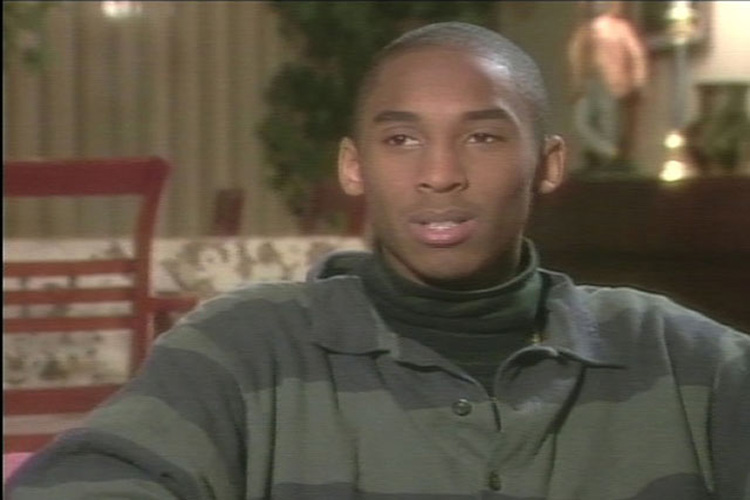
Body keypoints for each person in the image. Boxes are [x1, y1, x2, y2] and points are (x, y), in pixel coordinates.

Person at [7, 22, 749, 500]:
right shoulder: (243, 350)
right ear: (354, 167)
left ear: (548, 164)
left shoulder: (680, 358)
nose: (439, 174)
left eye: (483, 137)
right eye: (401, 140)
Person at [567, 1, 649, 172]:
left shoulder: (620, 28)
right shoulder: (584, 29)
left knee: (608, 124)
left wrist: (638, 81)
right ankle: (611, 153)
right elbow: (575, 56)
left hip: (611, 82)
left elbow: (636, 55)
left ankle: (609, 161)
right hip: (588, 82)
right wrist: (576, 82)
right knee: (581, 122)